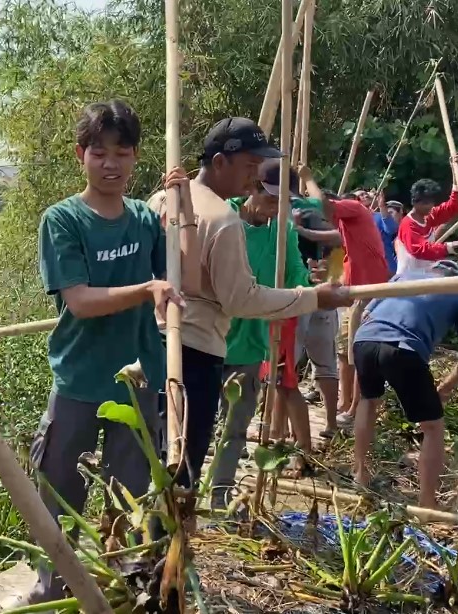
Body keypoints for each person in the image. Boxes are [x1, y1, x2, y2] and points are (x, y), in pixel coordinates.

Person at [30, 99, 195, 603]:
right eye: (99, 153)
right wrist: (147, 290)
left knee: (127, 493)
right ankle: (50, 585)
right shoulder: (63, 220)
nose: (110, 164)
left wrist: (182, 205)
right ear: (81, 155)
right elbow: (79, 302)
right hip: (80, 379)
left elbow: (180, 276)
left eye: (122, 154)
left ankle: (116, 591)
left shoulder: (147, 219)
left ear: (135, 158)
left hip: (139, 379)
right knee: (59, 491)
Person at [147, 118, 352, 492]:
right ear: (220, 162)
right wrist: (314, 297)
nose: (254, 177)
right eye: (249, 166)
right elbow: (240, 298)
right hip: (196, 350)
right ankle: (168, 540)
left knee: (155, 454)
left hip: (153, 344)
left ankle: (156, 532)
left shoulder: (164, 198)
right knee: (183, 465)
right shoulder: (224, 220)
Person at [212, 160, 320, 506]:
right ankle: (179, 494)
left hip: (250, 344)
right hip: (207, 340)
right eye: (271, 199)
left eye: (283, 202)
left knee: (236, 429)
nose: (276, 208)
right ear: (251, 189)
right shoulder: (219, 218)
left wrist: (311, 287)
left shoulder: (281, 231)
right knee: (191, 424)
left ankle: (219, 495)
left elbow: (294, 275)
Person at [351, 260, 458, 508]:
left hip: (364, 340)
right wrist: (448, 386)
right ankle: (427, 503)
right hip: (402, 348)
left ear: (432, 270)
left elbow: (366, 312)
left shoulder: (402, 278)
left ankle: (360, 474)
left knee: (368, 401)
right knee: (432, 426)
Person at [296, 165, 390, 428]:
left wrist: (307, 178)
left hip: (368, 291)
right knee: (345, 351)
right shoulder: (343, 226)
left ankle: (355, 408)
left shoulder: (354, 209)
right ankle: (345, 403)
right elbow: (327, 233)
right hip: (354, 293)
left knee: (358, 351)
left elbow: (322, 206)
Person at [291, 200, 343, 436]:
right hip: (323, 298)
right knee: (326, 366)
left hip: (298, 297)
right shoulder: (316, 213)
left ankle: (281, 429)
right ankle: (331, 424)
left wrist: (297, 229)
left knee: (285, 368)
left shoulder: (289, 217)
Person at [395, 167, 458, 277]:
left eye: (432, 202)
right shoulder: (408, 225)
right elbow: (421, 250)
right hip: (409, 279)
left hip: (426, 274)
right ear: (415, 203)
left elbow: (452, 207)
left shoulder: (429, 216)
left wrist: (455, 171)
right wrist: (454, 244)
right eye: (426, 203)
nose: (431, 206)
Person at [373, 196, 404, 273]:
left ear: (401, 212)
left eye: (390, 213)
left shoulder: (407, 227)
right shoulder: (377, 219)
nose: (389, 216)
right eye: (386, 212)